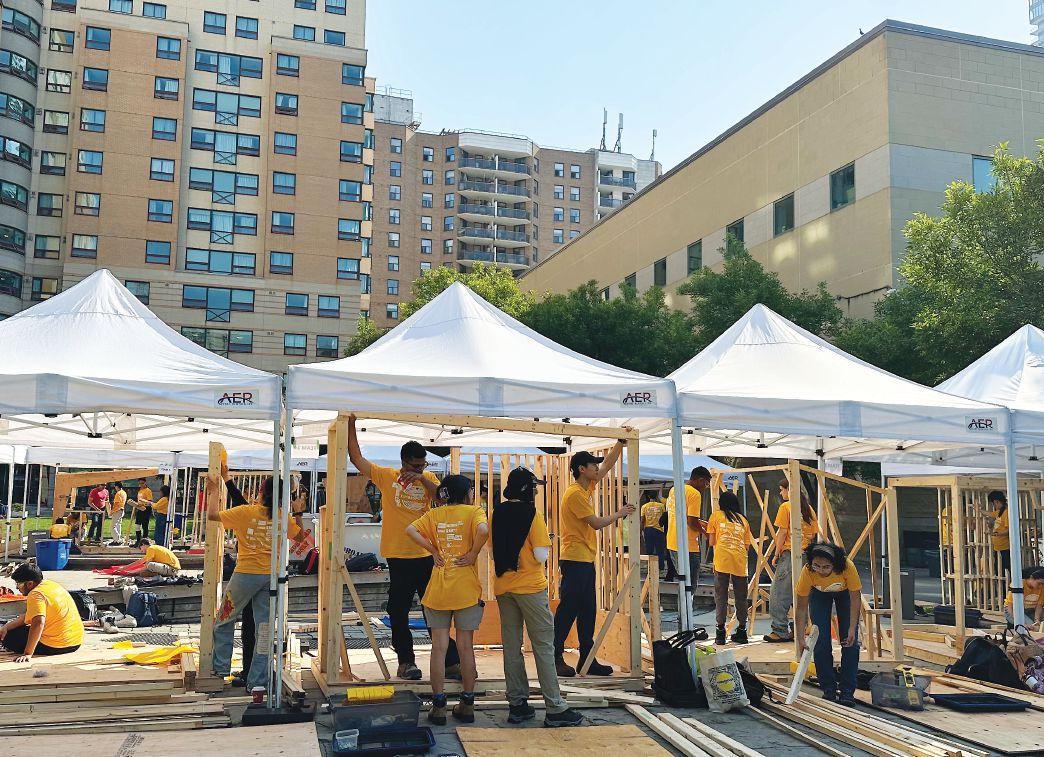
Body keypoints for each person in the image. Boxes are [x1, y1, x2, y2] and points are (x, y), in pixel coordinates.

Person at [347, 414, 462, 681]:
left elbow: (442, 499)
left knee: (434, 610)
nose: (420, 469)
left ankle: (449, 661)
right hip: (398, 556)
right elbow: (356, 458)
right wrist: (351, 424)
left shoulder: (428, 477)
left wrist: (422, 478)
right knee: (397, 611)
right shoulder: (387, 477)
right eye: (415, 465)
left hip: (425, 554)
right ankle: (406, 662)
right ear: (403, 462)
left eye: (423, 464)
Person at [492, 467, 584, 728]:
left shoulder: (496, 512)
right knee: (543, 646)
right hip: (531, 587)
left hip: (504, 587)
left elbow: (492, 549)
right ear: (526, 489)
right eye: (533, 488)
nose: (535, 492)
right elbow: (541, 555)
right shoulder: (533, 514)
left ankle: (517, 705)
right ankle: (555, 707)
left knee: (512, 647)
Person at [208, 472, 309, 691]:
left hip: (245, 574)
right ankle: (257, 681)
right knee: (263, 629)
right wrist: (298, 511)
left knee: (224, 619)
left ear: (261, 492)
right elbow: (301, 537)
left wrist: (214, 490)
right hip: (270, 577)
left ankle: (220, 669)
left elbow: (212, 515)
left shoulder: (246, 512)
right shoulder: (282, 516)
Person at [406, 474, 489, 726]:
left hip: (439, 589)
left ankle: (439, 705)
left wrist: (433, 550)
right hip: (466, 589)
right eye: (471, 490)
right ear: (465, 493)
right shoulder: (474, 512)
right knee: (465, 648)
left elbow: (410, 530)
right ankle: (467, 704)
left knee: (438, 648)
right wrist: (473, 553)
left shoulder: (435, 514)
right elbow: (483, 530)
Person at [553, 445, 634, 677]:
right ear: (582, 469)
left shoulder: (586, 486)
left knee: (587, 610)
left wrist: (620, 443)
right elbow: (596, 523)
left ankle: (587, 659)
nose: (597, 469)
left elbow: (607, 465)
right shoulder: (575, 494)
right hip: (574, 559)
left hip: (584, 559)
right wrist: (619, 513)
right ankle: (554, 656)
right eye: (592, 465)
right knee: (568, 610)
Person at [794, 541, 862, 706]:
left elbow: (855, 599)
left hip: (845, 594)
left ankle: (847, 691)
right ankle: (828, 689)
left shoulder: (847, 567)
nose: (821, 570)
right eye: (816, 566)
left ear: (834, 564)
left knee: (850, 643)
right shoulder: (808, 571)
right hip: (819, 594)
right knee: (821, 642)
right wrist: (800, 637)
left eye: (826, 567)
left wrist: (852, 628)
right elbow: (801, 608)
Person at [764, 480, 819, 643]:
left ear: (789, 490)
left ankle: (779, 630)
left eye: (782, 490)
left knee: (779, 593)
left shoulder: (786, 507)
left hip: (790, 554)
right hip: (806, 555)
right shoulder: (808, 509)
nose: (781, 493)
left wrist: (776, 554)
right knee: (800, 594)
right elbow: (813, 534)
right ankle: (799, 629)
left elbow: (782, 533)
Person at [0, 563, 84, 661]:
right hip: (75, 642)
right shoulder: (50, 585)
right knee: (10, 630)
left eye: (19, 584)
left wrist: (27, 653)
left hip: (57, 645)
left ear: (30, 584)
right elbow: (30, 615)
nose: (17, 588)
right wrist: (6, 627)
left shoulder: (35, 594)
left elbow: (38, 622)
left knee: (9, 637)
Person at [707, 490, 753, 645]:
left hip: (722, 559)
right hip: (740, 561)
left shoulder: (715, 516)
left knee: (721, 596)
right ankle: (742, 632)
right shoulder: (743, 520)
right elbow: (746, 546)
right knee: (741, 597)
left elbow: (711, 542)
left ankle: (720, 633)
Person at [666, 467, 711, 590]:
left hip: (673, 542)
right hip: (688, 545)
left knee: (683, 583)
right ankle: (687, 603)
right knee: (690, 585)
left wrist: (701, 522)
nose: (705, 488)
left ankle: (682, 603)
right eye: (706, 484)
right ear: (700, 480)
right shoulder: (695, 494)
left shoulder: (674, 489)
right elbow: (691, 522)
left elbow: (682, 516)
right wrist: (705, 533)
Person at [640, 491, 671, 579]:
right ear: (656, 496)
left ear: (648, 496)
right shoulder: (661, 506)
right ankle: (661, 570)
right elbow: (664, 517)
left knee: (649, 550)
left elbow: (642, 520)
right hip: (659, 530)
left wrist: (640, 531)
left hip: (648, 530)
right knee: (660, 551)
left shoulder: (644, 507)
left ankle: (650, 570)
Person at [989, 490, 1011, 576]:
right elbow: (990, 514)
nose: (993, 506)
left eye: (993, 503)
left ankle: (1007, 584)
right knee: (998, 570)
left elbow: (1008, 530)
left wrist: (996, 534)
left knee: (1005, 570)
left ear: (996, 501)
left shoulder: (1006, 512)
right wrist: (977, 509)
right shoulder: (999, 512)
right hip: (998, 547)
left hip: (1004, 547)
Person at [134, 478, 154, 543]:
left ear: (145, 483)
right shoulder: (140, 491)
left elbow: (149, 502)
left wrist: (142, 504)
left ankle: (144, 542)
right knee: (137, 525)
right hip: (140, 509)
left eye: (142, 483)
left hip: (146, 509)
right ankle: (138, 541)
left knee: (145, 526)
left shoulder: (148, 491)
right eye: (140, 483)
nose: (141, 485)